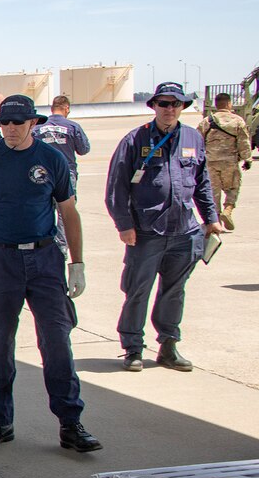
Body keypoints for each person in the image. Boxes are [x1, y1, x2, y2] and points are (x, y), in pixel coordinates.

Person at [0, 94, 101, 453]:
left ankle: (71, 423)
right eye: (5, 123)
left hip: (44, 260)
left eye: (18, 123)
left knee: (56, 343)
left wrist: (77, 263)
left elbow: (69, 213)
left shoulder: (51, 159)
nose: (10, 129)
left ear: (34, 124)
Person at [105, 81, 222, 373]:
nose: (169, 109)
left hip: (184, 232)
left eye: (175, 104)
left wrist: (211, 219)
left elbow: (203, 183)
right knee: (137, 291)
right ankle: (132, 348)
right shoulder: (135, 139)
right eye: (164, 103)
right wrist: (124, 225)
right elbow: (116, 187)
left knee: (174, 291)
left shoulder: (193, 138)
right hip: (146, 232)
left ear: (183, 107)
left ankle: (168, 346)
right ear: (154, 106)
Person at [33, 95, 91, 255]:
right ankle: (61, 247)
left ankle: (44, 243)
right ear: (66, 108)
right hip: (66, 174)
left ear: (52, 109)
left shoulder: (38, 127)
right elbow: (84, 149)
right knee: (66, 211)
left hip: (41, 174)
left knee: (43, 209)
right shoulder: (72, 127)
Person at [197, 92, 252, 231]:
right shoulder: (238, 120)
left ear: (216, 105)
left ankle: (215, 221)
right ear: (229, 104)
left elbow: (197, 141)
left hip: (211, 163)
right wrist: (247, 159)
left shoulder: (207, 121)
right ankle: (228, 210)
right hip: (230, 163)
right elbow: (244, 142)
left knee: (213, 192)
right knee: (233, 188)